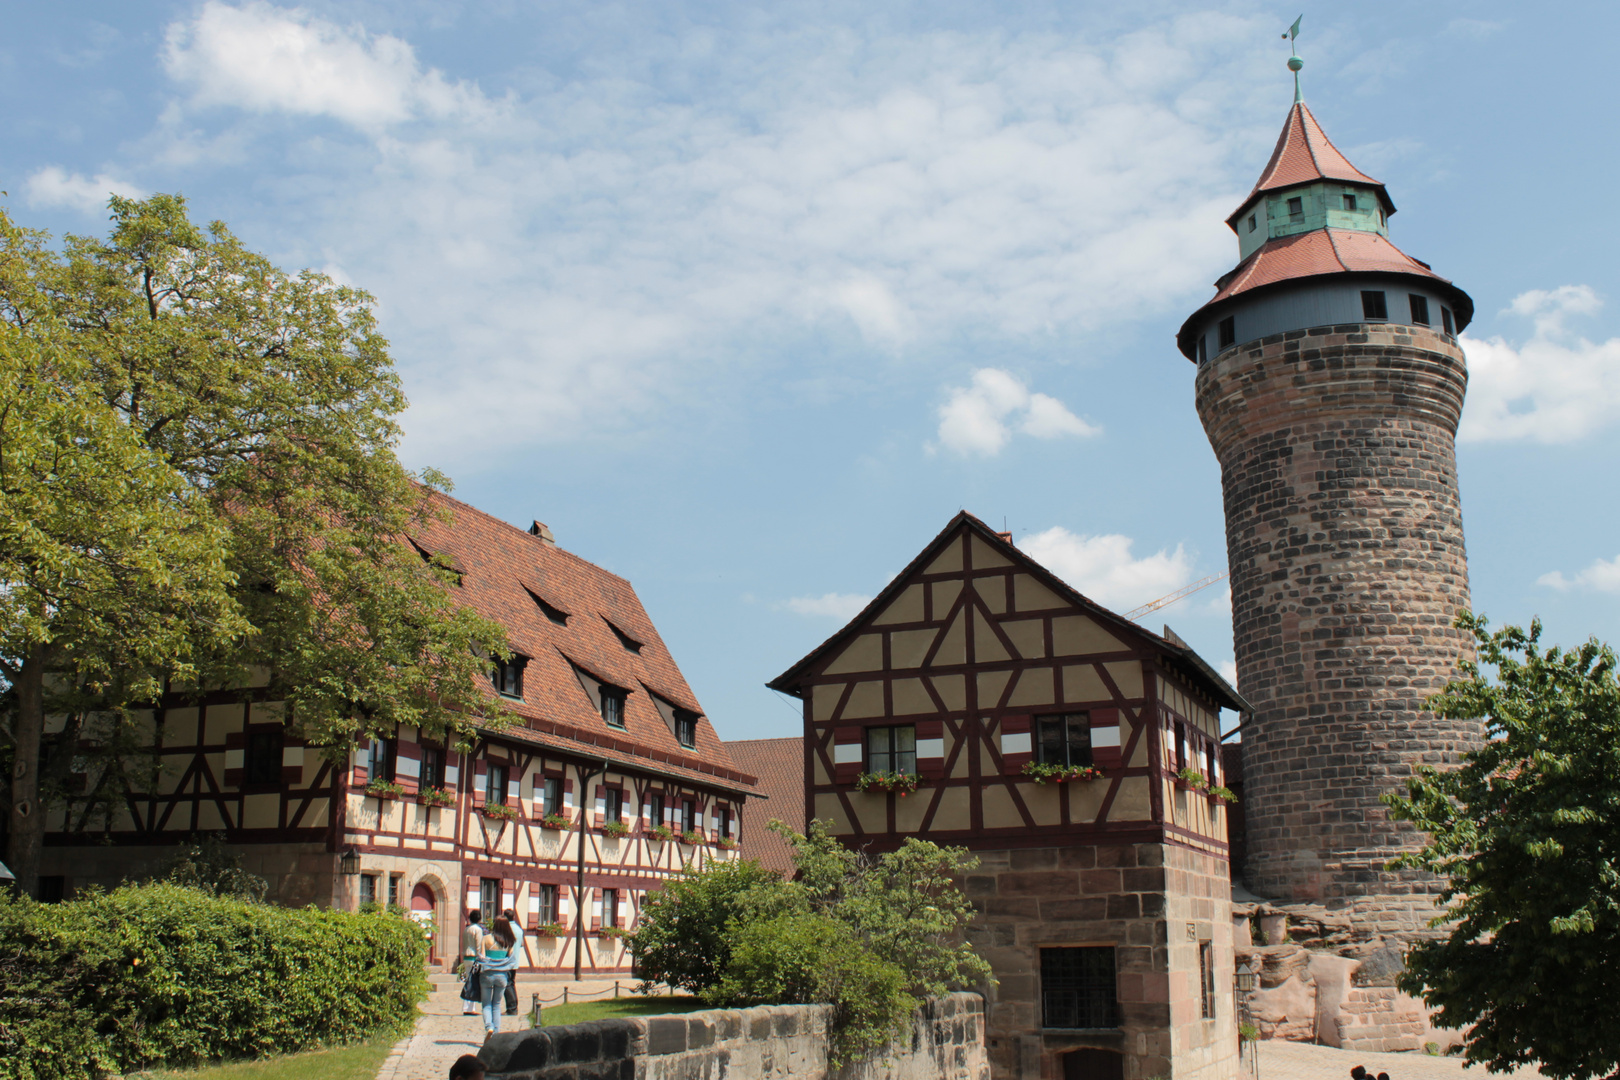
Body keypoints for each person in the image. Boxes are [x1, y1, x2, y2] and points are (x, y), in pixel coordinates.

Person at [478, 915, 520, 1038]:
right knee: (497, 1005)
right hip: (502, 976)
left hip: (487, 975)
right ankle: (495, 1034)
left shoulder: (486, 939)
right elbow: (511, 959)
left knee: (486, 1004)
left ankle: (489, 1027)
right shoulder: (509, 941)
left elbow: (482, 957)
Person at [500, 907, 525, 1016]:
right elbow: (522, 944)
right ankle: (514, 1006)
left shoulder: (505, 929)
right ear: (513, 917)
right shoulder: (519, 929)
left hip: (506, 960)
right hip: (515, 961)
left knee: (507, 985)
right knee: (511, 983)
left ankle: (512, 1008)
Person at [461, 910, 483, 1016]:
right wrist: (481, 957)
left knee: (468, 981)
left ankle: (468, 1007)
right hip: (474, 957)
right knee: (472, 983)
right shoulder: (477, 930)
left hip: (466, 956)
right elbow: (478, 945)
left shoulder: (466, 929)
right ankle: (469, 1008)